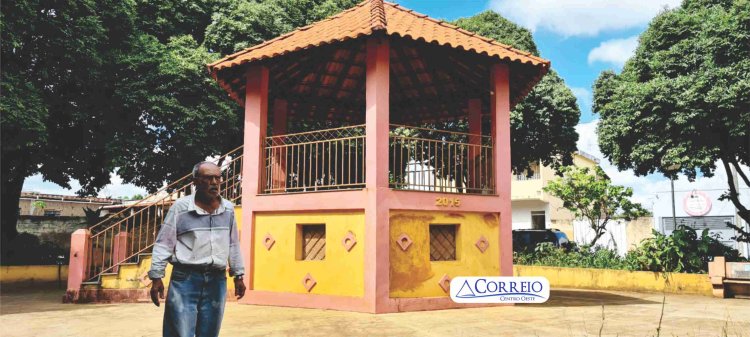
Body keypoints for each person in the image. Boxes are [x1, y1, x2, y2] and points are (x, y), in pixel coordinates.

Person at [148, 161, 246, 337]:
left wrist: (239, 275)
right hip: (186, 278)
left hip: (217, 280)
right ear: (195, 182)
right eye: (208, 178)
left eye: (218, 178)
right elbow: (164, 243)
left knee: (210, 332)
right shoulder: (181, 208)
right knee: (180, 332)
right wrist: (156, 276)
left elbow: (233, 244)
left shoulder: (228, 210)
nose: (214, 182)